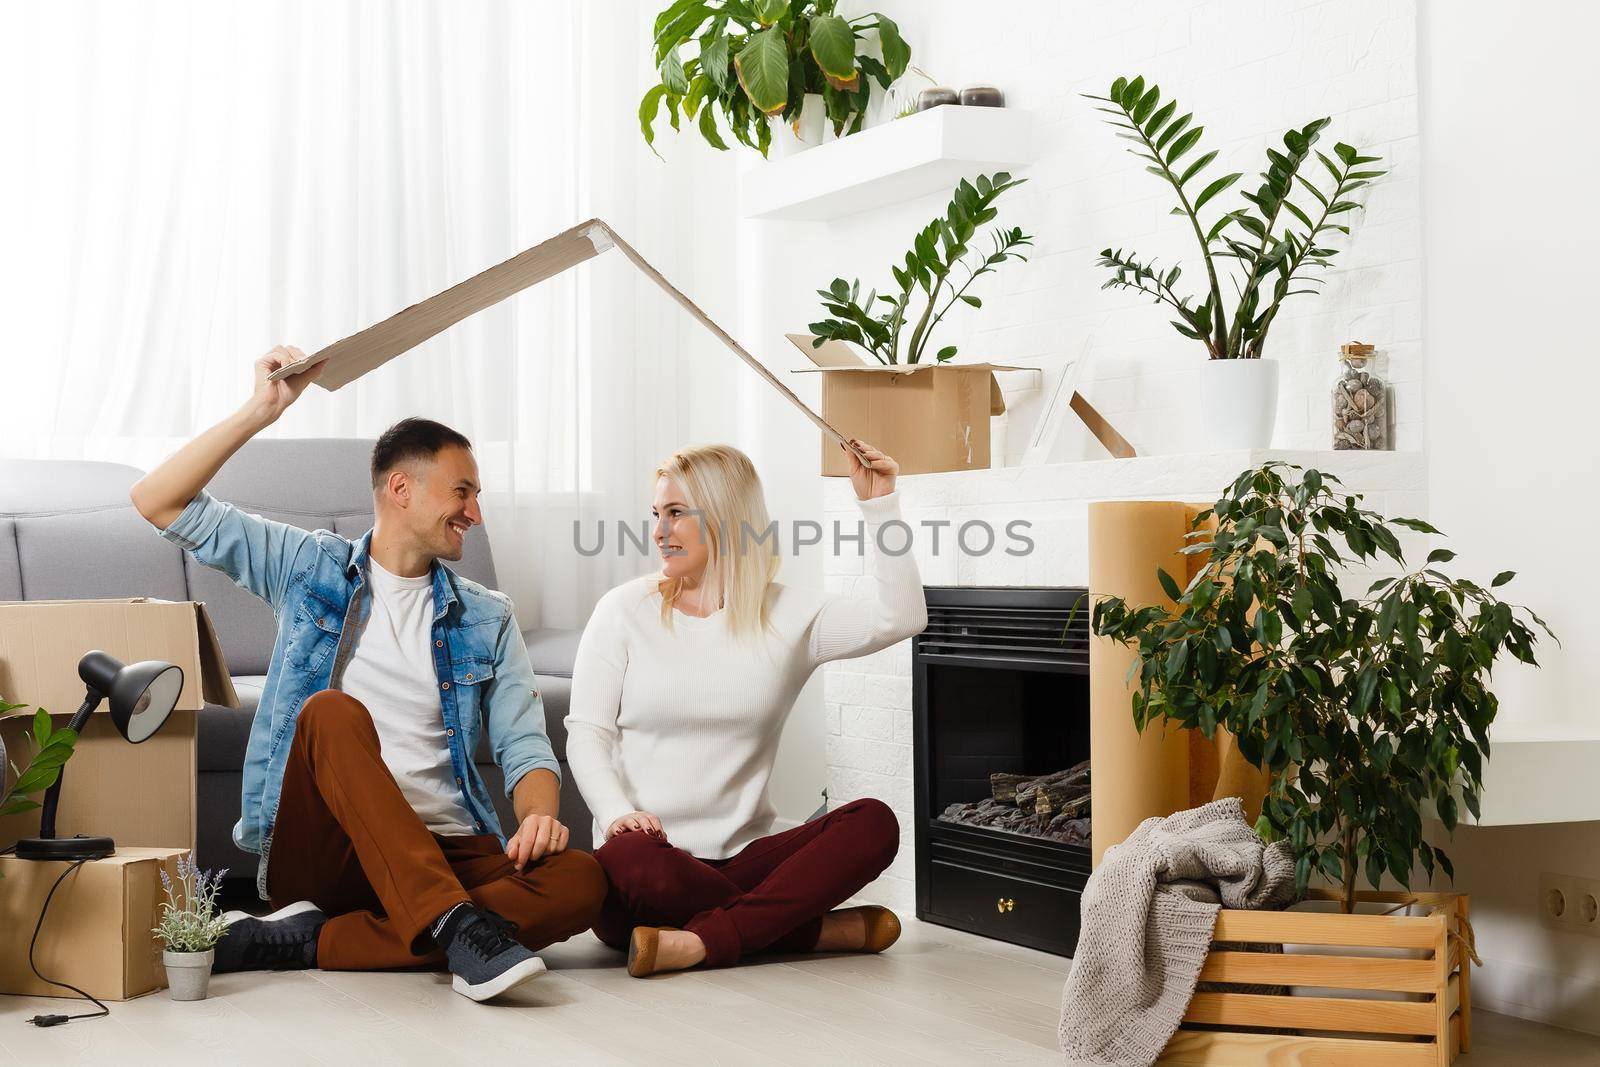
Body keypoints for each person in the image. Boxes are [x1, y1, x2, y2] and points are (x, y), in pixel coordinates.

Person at [129, 346, 605, 1001]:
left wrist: (538, 819)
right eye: (462, 491)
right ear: (402, 488)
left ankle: (313, 938)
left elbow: (526, 747)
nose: (475, 511)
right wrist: (259, 410)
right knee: (329, 711)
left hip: (449, 844)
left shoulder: (487, 616)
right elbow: (156, 499)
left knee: (582, 878)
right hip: (332, 848)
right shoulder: (304, 566)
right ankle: (452, 922)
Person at [565, 440, 926, 977]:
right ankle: (804, 930)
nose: (659, 531)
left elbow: (902, 617)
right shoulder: (623, 611)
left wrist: (880, 505)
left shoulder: (790, 613)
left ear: (726, 517)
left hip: (746, 858)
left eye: (677, 513)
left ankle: (695, 942)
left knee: (874, 823)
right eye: (656, 514)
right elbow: (586, 734)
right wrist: (619, 816)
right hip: (649, 865)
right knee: (625, 860)